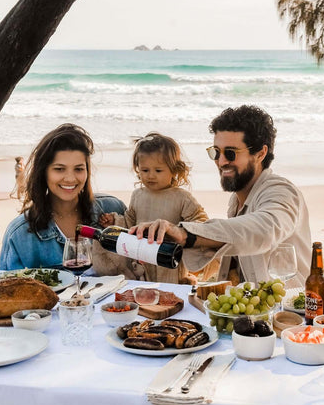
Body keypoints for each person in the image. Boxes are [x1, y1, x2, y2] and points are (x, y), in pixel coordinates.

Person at [129, 105, 311, 287]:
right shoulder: (237, 199)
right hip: (250, 306)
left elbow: (264, 230)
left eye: (230, 153)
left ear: (260, 153)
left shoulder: (282, 191)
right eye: (216, 152)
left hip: (289, 310)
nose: (221, 162)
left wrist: (185, 234)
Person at [0, 124, 126, 270]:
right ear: (44, 172)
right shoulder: (19, 235)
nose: (70, 179)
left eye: (78, 169)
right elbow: (8, 289)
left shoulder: (114, 210)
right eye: (59, 169)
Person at [98, 132, 219, 284]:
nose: (151, 176)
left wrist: (178, 231)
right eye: (145, 170)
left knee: (171, 292)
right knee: (143, 292)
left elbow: (201, 223)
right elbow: (130, 223)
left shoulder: (181, 197)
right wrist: (114, 222)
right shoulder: (138, 195)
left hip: (169, 262)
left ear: (174, 170)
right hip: (142, 259)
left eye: (158, 170)